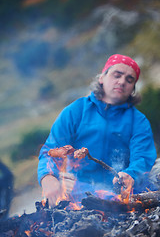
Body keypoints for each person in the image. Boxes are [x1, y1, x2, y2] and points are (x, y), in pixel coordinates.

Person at [38, 54, 157, 206]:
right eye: (117, 75)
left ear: (132, 88)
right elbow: (51, 150)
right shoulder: (76, 111)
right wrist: (48, 177)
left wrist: (130, 174)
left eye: (129, 79)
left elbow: (142, 158)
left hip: (120, 199)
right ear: (102, 77)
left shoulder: (139, 121)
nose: (122, 82)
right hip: (77, 198)